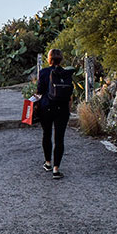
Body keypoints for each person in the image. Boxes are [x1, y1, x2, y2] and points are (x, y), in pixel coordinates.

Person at [37, 48, 73, 180]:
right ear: (61, 59)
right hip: (62, 109)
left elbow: (40, 91)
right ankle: (56, 169)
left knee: (47, 134)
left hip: (46, 107)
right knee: (60, 138)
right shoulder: (66, 73)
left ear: (49, 59)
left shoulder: (44, 72)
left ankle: (48, 163)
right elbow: (69, 93)